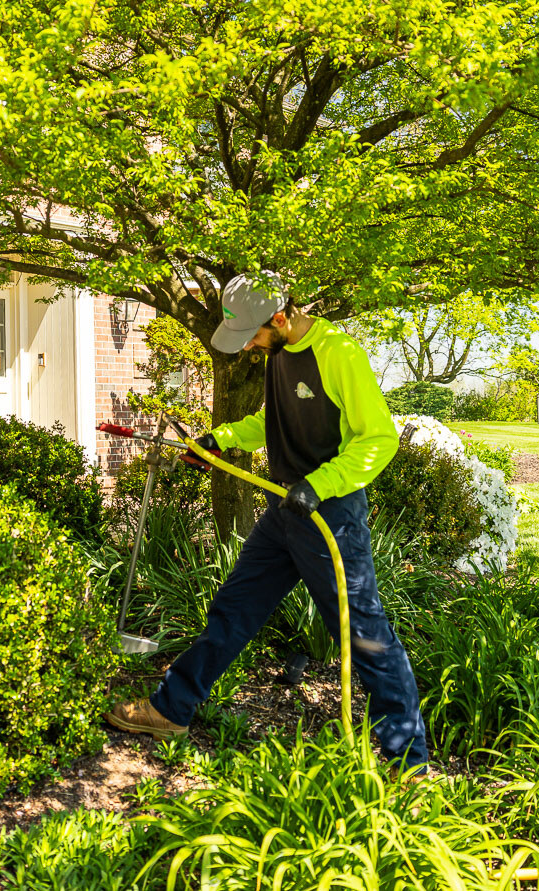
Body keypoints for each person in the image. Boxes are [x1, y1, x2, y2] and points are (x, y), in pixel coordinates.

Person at [105, 274, 430, 772]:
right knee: (234, 608)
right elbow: (270, 422)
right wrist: (221, 438)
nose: (251, 347)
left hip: (331, 515)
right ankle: (172, 708)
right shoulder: (278, 354)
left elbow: (380, 438)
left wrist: (321, 484)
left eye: (254, 334)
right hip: (286, 512)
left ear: (279, 317)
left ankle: (407, 760)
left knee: (363, 634)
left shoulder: (339, 354)